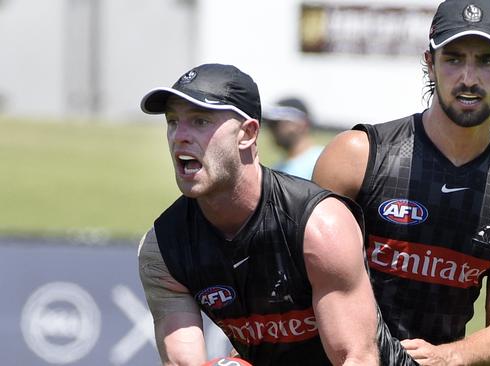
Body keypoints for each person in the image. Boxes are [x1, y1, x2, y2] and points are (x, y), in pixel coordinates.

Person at [313, 0, 490, 365]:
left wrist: (448, 357)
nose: (469, 78)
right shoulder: (356, 157)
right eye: (453, 58)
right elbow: (293, 285)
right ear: (430, 62)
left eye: (487, 60)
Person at [136, 63, 385, 366]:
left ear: (247, 134)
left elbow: (357, 358)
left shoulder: (319, 225)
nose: (180, 136)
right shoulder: (163, 248)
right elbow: (182, 363)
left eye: (200, 121)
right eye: (173, 121)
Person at [262, 97, 324, 179]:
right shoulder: (275, 171)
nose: (272, 129)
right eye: (270, 124)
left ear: (303, 124)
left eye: (278, 123)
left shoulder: (322, 161)